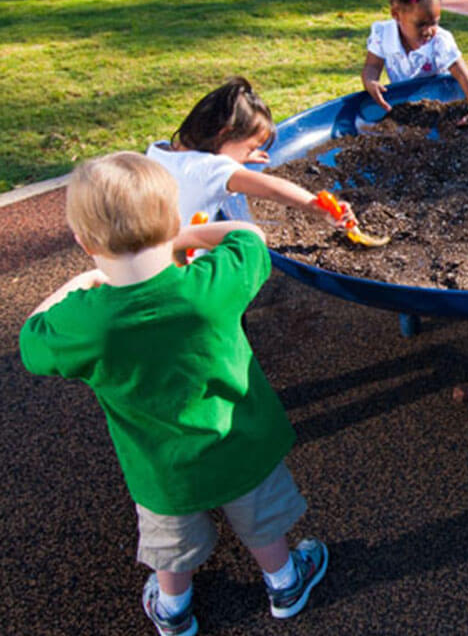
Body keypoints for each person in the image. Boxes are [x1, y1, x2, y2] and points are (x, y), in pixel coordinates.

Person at [19, 152, 328, 636]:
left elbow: (31, 339)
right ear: (170, 220)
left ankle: (173, 609)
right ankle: (285, 584)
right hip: (240, 444)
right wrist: (188, 236)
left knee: (171, 543)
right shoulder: (210, 285)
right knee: (262, 524)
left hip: (162, 468)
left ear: (83, 241)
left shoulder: (87, 322)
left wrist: (80, 283)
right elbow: (251, 238)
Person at [146, 76, 354, 230]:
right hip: (184, 271)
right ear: (225, 134)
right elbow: (274, 189)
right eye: (250, 147)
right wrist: (318, 207)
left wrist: (241, 154)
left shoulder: (159, 150)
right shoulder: (213, 171)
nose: (252, 153)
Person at [360, 0, 468, 127]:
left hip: (440, 104)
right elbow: (372, 67)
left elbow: (463, 75)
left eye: (434, 22)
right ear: (396, 14)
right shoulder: (383, 34)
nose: (429, 30)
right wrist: (370, 81)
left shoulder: (439, 41)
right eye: (421, 24)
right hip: (404, 106)